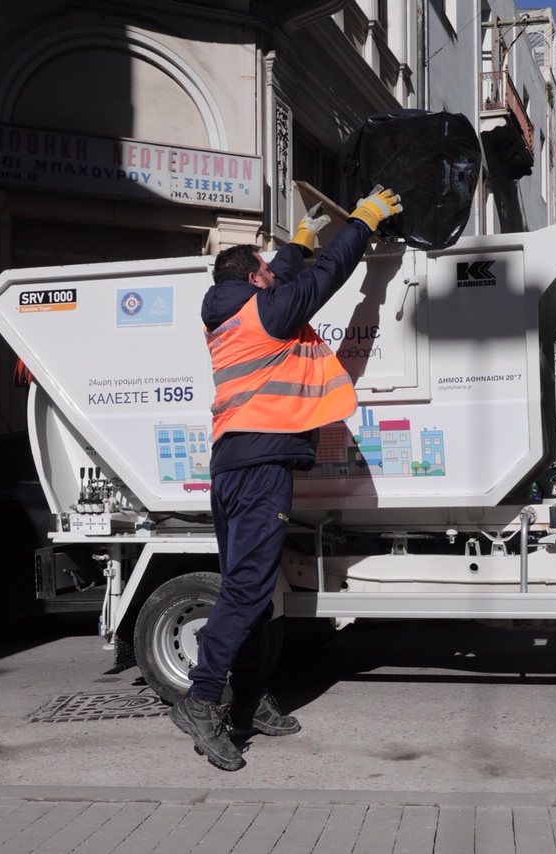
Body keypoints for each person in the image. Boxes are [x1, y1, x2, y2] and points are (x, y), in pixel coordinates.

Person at [172, 186, 403, 771]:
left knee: (253, 589)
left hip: (233, 463)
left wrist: (296, 242)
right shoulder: (266, 309)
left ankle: (248, 700)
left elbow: (279, 273)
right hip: (260, 465)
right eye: (267, 273)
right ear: (253, 279)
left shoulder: (229, 313)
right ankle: (202, 699)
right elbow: (328, 275)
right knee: (249, 589)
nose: (274, 279)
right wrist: (363, 220)